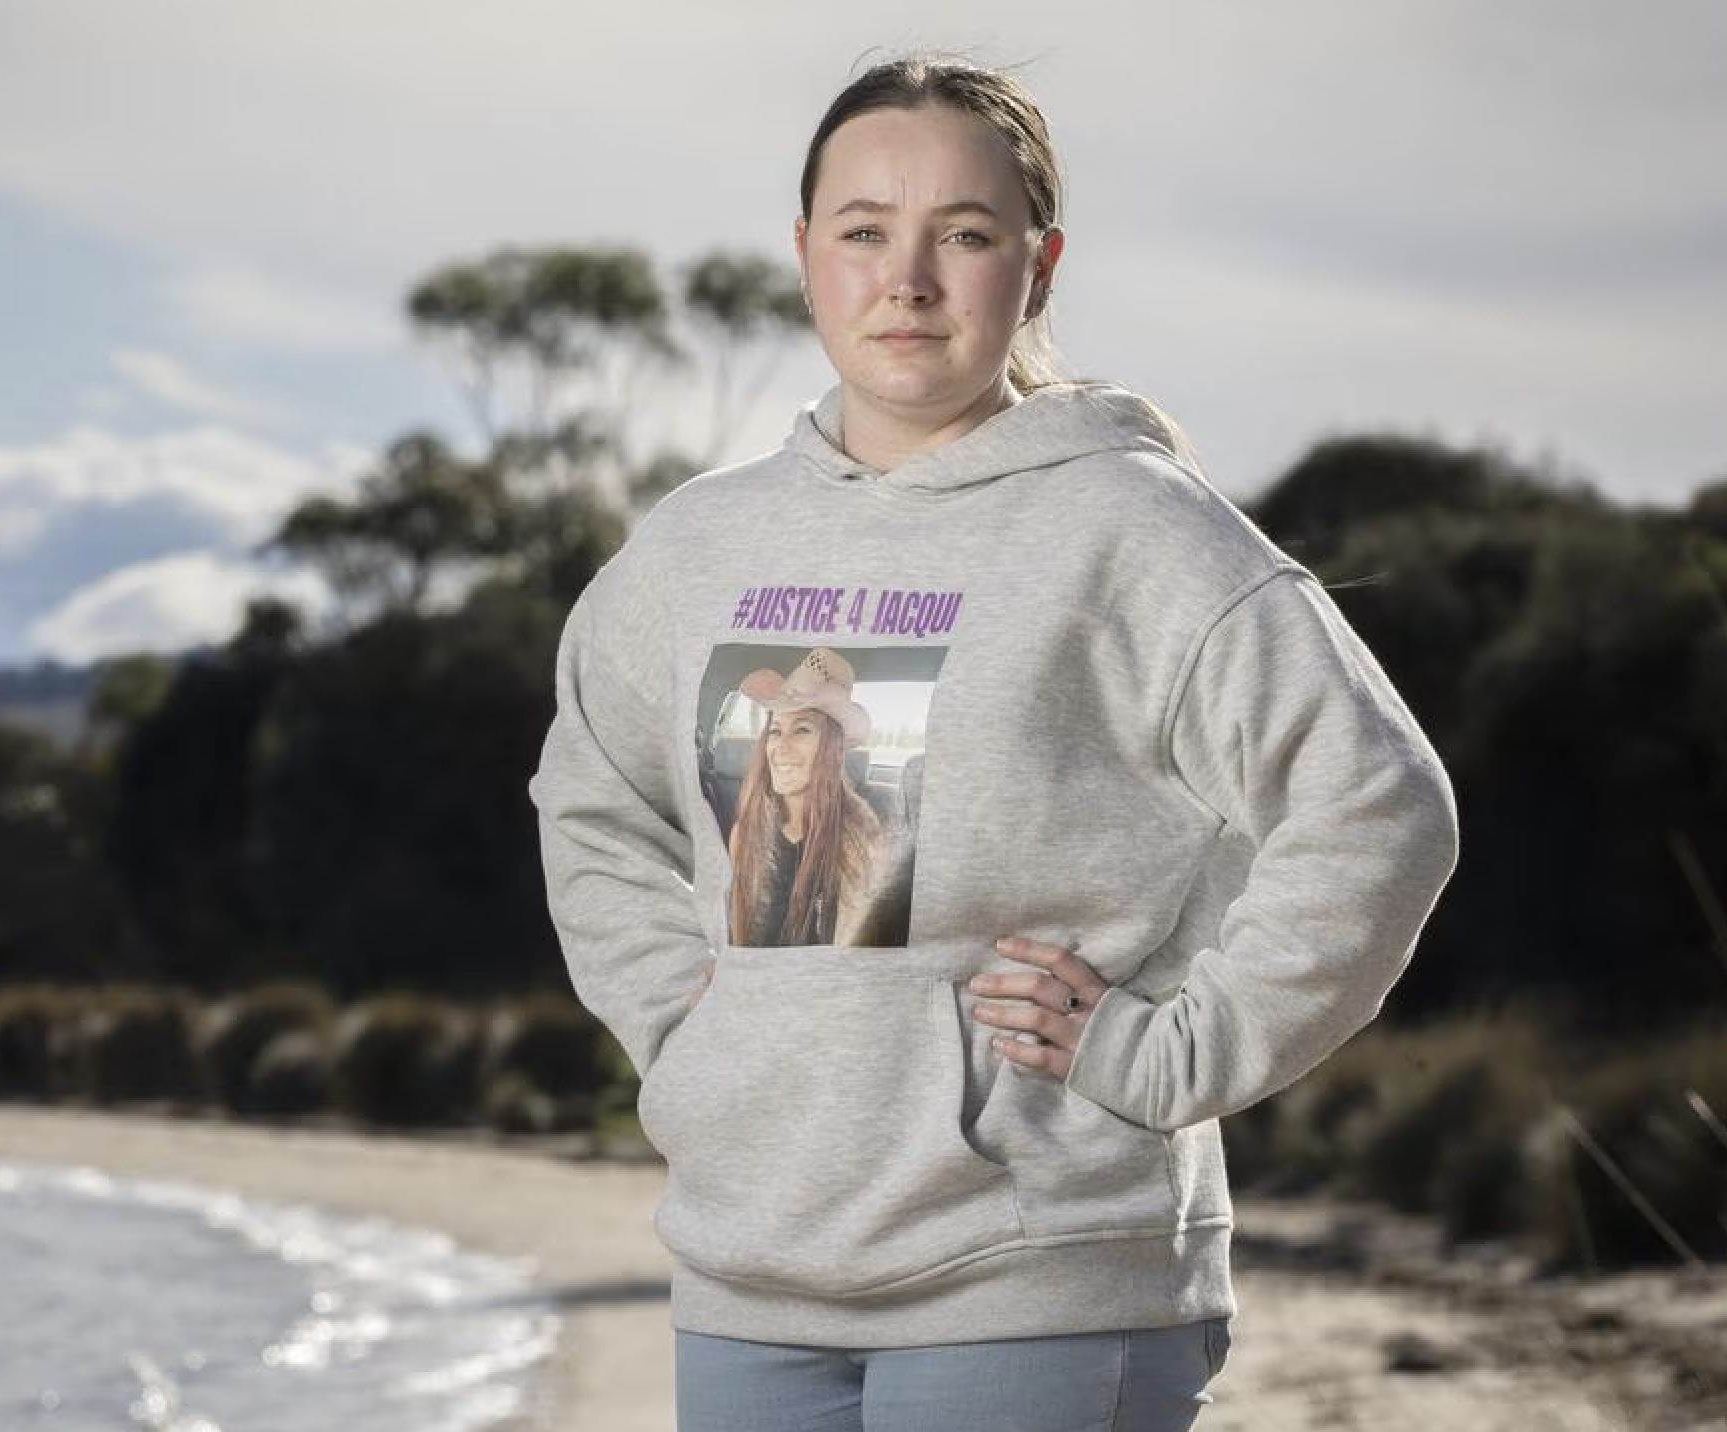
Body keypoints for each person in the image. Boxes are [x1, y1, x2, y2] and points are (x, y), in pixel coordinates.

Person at [532, 54, 1458, 1432]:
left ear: (1037, 267)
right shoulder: (696, 547)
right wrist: (676, 1023)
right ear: (803, 256)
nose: (905, 280)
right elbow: (590, 798)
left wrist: (1169, 1057)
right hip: (748, 1276)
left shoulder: (1132, 530)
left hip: (1038, 1276)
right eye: (862, 232)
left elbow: (1377, 806)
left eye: (961, 235)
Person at [725, 647, 886, 947]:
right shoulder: (744, 836)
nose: (781, 747)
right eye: (775, 731)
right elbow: (739, 936)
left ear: (832, 749)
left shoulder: (856, 842)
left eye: (801, 730)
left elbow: (851, 953)